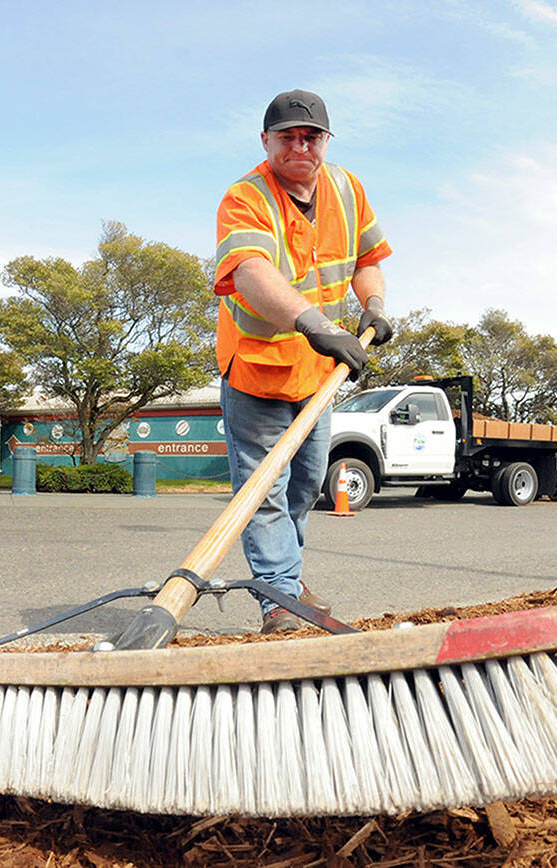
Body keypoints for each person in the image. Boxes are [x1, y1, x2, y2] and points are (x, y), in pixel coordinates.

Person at [213, 89, 394, 633]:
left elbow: (367, 260)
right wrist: (316, 324)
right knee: (262, 492)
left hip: (317, 376)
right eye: (287, 136)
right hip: (258, 369)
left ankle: (286, 578)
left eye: (310, 136)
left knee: (305, 485)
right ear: (265, 141)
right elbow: (250, 274)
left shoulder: (346, 187)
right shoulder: (244, 197)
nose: (299, 146)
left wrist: (376, 306)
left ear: (325, 141)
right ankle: (280, 602)